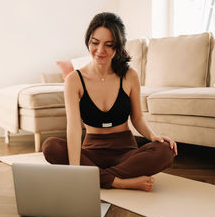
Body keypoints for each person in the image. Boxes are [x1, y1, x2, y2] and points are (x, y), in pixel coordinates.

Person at [42, 12, 177, 192]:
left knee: (165, 150)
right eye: (95, 43)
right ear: (88, 41)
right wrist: (75, 169)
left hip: (126, 153)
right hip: (91, 153)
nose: (100, 50)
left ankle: (96, 177)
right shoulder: (74, 80)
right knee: (50, 146)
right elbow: (73, 127)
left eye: (109, 45)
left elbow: (137, 118)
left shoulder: (129, 76)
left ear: (118, 46)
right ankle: (120, 182)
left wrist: (154, 137)